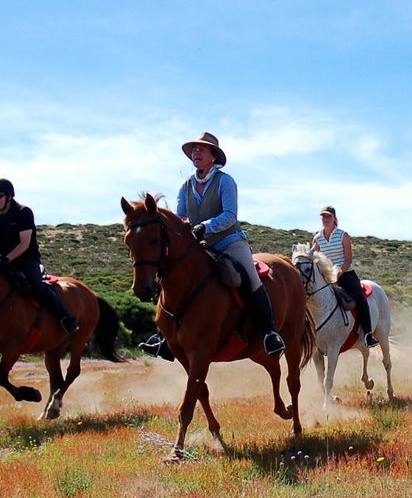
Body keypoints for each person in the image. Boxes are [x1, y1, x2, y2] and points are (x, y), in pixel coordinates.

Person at [140, 132, 287, 359]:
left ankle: (269, 333)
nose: (196, 153)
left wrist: (204, 227)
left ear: (213, 156)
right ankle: (164, 336)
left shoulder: (225, 181)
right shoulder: (186, 186)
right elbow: (181, 217)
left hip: (230, 242)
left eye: (202, 149)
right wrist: (186, 230)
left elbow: (230, 215)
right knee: (170, 276)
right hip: (200, 244)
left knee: (250, 277)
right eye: (194, 150)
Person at [0, 178, 79, 335]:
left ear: (9, 196)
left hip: (25, 259)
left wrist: (6, 258)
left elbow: (24, 244)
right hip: (0, 261)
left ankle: (66, 318)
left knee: (38, 286)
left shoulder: (23, 213)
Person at [313, 206, 379, 348]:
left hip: (346, 274)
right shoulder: (317, 238)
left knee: (360, 298)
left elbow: (348, 258)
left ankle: (367, 334)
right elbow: (315, 257)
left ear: (334, 219)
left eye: (328, 217)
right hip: (326, 276)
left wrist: (339, 272)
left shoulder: (343, 235)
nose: (325, 219)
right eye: (323, 217)